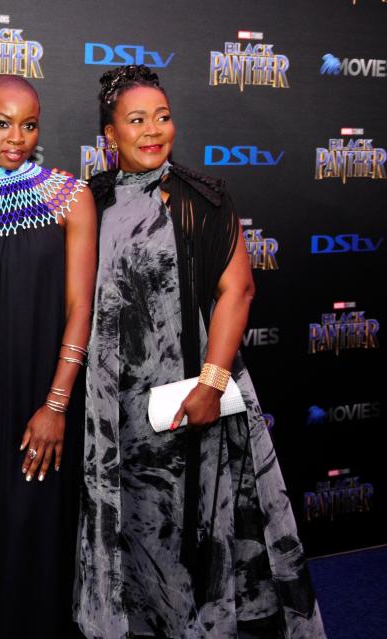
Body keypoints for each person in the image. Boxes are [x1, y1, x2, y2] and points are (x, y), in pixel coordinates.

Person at [74, 65, 325, 638]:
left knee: (187, 529)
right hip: (114, 411)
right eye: (136, 120)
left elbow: (239, 289)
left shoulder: (200, 197)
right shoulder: (92, 200)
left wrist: (211, 384)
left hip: (186, 401)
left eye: (162, 117)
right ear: (109, 134)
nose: (153, 130)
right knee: (128, 531)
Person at [0, 75, 96, 638]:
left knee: (38, 531)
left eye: (28, 125)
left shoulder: (70, 196)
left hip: (45, 392)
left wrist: (56, 404)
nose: (16, 137)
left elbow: (81, 306)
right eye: (2, 123)